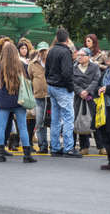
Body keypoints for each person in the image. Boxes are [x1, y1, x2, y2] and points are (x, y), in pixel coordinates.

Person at [0, 43, 36, 163]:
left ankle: (0, 154)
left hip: (3, 100)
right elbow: (27, 82)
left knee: (1, 127)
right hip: (19, 100)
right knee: (22, 127)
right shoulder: (21, 65)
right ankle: (27, 155)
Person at [46, 28, 82, 158]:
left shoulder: (51, 51)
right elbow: (67, 73)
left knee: (55, 119)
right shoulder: (66, 52)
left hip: (51, 86)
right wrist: (71, 87)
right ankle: (68, 148)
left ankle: (55, 147)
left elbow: (47, 70)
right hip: (62, 88)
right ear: (67, 40)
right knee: (68, 118)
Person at [73, 48, 101, 155]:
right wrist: (80, 92)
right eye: (78, 55)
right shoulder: (74, 67)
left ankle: (101, 146)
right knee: (81, 121)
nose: (79, 57)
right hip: (79, 98)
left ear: (88, 57)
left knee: (96, 122)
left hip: (91, 98)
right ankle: (84, 147)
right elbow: (72, 81)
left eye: (82, 55)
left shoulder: (95, 67)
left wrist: (88, 91)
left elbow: (96, 80)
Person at [28, 42, 50, 154]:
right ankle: (43, 146)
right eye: (41, 51)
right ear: (38, 51)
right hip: (38, 97)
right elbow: (29, 79)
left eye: (45, 50)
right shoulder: (32, 64)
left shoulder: (52, 62)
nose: (43, 53)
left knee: (54, 122)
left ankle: (55, 145)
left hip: (51, 97)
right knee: (40, 122)